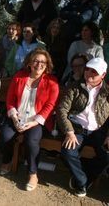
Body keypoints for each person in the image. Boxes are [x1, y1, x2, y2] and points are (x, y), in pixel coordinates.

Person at [0, 48, 59, 191]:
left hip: (36, 120)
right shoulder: (19, 76)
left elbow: (51, 105)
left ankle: (33, 173)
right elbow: (10, 99)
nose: (39, 64)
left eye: (43, 62)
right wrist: (14, 117)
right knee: (5, 135)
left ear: (47, 64)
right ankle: (7, 161)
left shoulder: (52, 81)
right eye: (36, 61)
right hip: (17, 117)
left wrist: (34, 121)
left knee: (31, 141)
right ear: (30, 63)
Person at [57, 57, 109, 197]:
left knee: (106, 156)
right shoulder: (74, 86)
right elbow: (62, 109)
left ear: (103, 75)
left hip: (99, 130)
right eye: (87, 69)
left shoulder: (107, 91)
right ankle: (82, 181)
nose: (89, 73)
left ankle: (83, 177)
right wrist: (69, 131)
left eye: (94, 71)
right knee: (68, 152)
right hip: (77, 129)